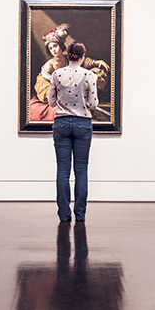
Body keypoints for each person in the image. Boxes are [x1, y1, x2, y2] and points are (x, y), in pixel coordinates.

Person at [48, 41, 98, 222]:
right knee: (81, 170)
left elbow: (51, 102)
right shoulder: (89, 75)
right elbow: (93, 104)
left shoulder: (56, 74)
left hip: (61, 123)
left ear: (68, 55)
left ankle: (64, 214)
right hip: (82, 124)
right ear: (82, 56)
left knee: (62, 170)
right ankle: (80, 214)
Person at [30, 24, 109, 121]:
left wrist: (96, 62)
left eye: (55, 46)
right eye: (50, 48)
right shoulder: (48, 66)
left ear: (60, 46)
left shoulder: (67, 59)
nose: (54, 50)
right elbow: (43, 87)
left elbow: (82, 62)